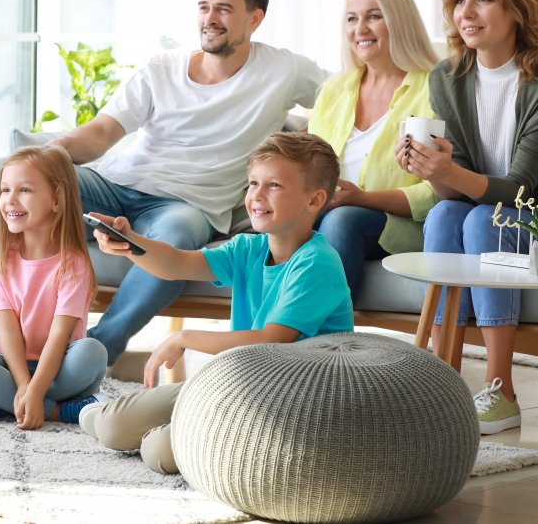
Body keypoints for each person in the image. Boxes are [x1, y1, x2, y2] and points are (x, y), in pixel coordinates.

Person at [52, 0, 328, 365]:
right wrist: (51, 157)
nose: (209, 19)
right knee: (37, 182)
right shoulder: (161, 68)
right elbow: (100, 134)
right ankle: (28, 340)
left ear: (255, 19)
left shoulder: (284, 70)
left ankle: (96, 350)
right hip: (114, 183)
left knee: (177, 234)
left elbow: (349, 95)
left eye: (224, 9)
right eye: (203, 7)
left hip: (186, 206)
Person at [78, 132, 353, 474]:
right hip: (243, 386)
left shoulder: (317, 263)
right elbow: (178, 263)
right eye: (253, 183)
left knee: (159, 452)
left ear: (314, 201)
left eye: (274, 186)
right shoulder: (249, 248)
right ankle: (100, 415)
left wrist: (184, 337)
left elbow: (270, 340)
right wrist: (130, 242)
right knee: (111, 427)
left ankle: (170, 429)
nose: (256, 195)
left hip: (290, 402)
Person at [399, 0, 538, 434]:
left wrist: (447, 172)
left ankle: (501, 390)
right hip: (476, 208)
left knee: (485, 219)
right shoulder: (448, 76)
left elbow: (522, 186)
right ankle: (442, 382)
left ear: (518, 10)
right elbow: (452, 188)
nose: (467, 13)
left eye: (484, 0)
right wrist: (428, 169)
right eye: (460, 2)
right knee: (443, 217)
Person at [0, 145, 108, 429]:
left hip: (62, 367)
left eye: (24, 190)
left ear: (56, 200)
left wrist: (37, 390)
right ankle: (60, 411)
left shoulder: (73, 264)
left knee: (92, 352)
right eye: (5, 190)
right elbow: (7, 331)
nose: (10, 200)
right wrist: (25, 386)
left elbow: (60, 336)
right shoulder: (0, 262)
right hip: (13, 367)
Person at [308, 0, 439, 304]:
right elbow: (305, 168)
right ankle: (267, 342)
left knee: (341, 220)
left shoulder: (436, 89)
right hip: (327, 213)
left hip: (397, 225)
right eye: (352, 19)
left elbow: (436, 192)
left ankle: (329, 347)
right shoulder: (334, 91)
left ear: (400, 21)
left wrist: (362, 198)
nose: (360, 28)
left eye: (374, 16)